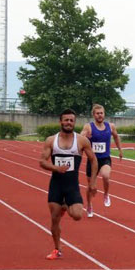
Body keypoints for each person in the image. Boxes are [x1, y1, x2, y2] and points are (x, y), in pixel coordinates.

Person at [39, 109, 98, 260]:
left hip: (72, 185)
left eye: (71, 120)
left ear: (74, 123)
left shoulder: (81, 141)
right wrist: (56, 168)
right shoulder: (51, 140)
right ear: (60, 122)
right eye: (66, 120)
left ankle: (66, 206)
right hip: (56, 185)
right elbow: (42, 162)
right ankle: (57, 249)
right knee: (54, 219)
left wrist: (93, 182)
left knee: (77, 215)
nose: (68, 123)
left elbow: (93, 159)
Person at [80, 103, 123, 218]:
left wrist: (120, 149)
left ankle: (106, 194)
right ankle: (89, 205)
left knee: (106, 175)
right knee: (90, 186)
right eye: (97, 113)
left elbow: (116, 136)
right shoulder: (88, 127)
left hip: (105, 158)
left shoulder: (111, 126)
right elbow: (80, 138)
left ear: (104, 114)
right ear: (94, 115)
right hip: (92, 160)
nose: (100, 115)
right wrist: (84, 138)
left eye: (101, 113)